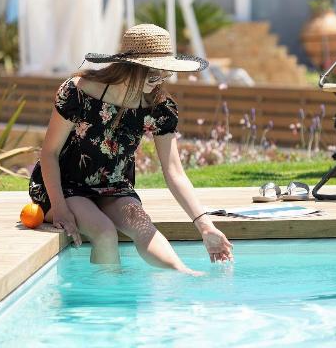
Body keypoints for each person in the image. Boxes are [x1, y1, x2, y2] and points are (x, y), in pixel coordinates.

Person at [28, 23, 233, 275]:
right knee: (104, 232)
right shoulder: (77, 92)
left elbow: (174, 172)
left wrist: (206, 227)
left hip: (115, 187)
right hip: (65, 186)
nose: (159, 82)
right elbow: (49, 153)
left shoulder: (160, 108)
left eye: (165, 74)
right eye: (153, 74)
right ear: (131, 67)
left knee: (143, 226)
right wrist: (59, 207)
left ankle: (185, 274)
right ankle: (108, 296)